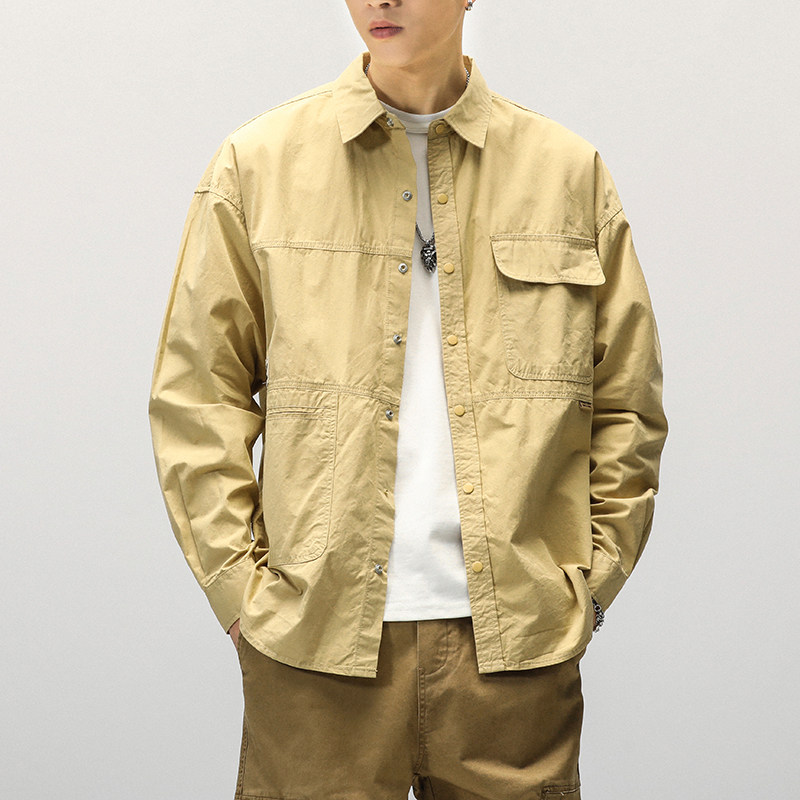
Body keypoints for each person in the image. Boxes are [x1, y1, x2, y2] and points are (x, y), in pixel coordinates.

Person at [149, 1, 668, 797]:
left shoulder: (567, 173)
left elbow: (627, 400)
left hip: (514, 653)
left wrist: (589, 586)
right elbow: (197, 395)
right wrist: (239, 590)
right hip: (314, 648)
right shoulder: (258, 167)